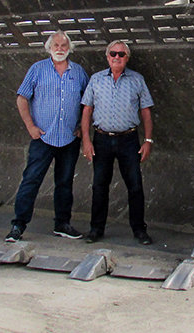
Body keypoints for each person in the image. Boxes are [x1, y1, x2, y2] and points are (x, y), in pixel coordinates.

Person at [5, 31, 88, 243]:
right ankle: (18, 225)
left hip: (69, 138)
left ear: (70, 48)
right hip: (43, 137)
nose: (60, 49)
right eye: (56, 45)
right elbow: (22, 97)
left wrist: (82, 127)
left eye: (63, 45)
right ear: (49, 48)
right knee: (31, 180)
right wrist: (30, 125)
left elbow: (88, 102)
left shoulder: (78, 72)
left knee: (65, 183)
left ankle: (62, 224)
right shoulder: (38, 69)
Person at [80, 40, 154, 245]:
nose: (117, 57)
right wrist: (86, 141)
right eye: (113, 53)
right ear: (107, 57)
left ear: (127, 58)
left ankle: (139, 230)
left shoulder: (137, 80)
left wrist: (147, 141)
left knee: (135, 186)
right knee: (99, 186)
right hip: (101, 139)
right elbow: (87, 110)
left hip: (129, 140)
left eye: (121, 54)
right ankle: (96, 229)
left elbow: (146, 111)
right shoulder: (96, 80)